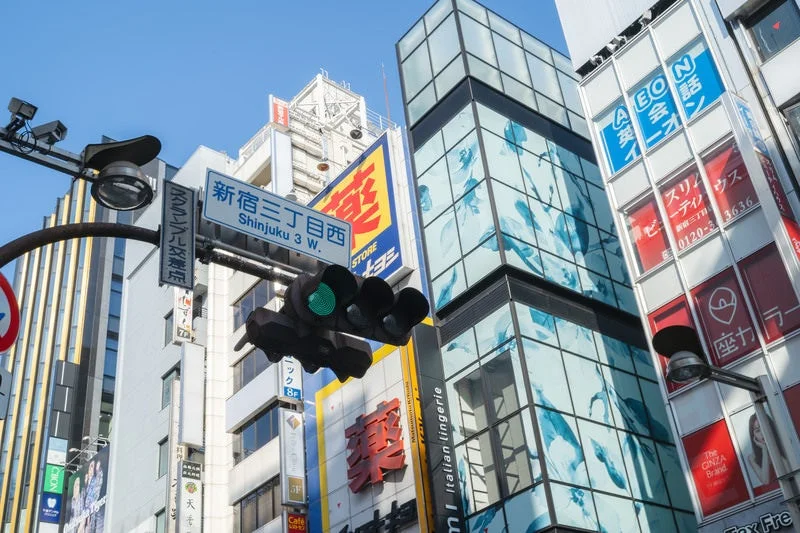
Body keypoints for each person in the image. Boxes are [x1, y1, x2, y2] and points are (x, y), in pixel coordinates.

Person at [747, 413, 775, 487]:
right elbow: (765, 481)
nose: (762, 433)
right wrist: (764, 449)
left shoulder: (781, 446)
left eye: (764, 427)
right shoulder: (752, 458)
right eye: (758, 430)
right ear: (754, 436)